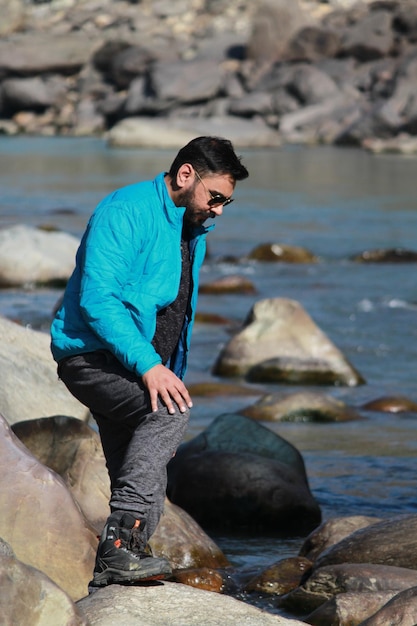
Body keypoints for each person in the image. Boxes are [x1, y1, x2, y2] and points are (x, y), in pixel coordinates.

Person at [50, 135, 249, 588]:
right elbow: (98, 300)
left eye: (226, 203)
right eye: (214, 197)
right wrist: (150, 370)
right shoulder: (125, 210)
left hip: (138, 363)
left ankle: (115, 572)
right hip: (91, 356)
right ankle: (119, 549)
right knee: (170, 412)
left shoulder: (192, 227)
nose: (218, 209)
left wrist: (167, 374)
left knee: (147, 481)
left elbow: (175, 315)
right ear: (185, 175)